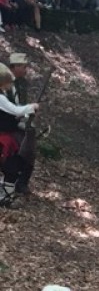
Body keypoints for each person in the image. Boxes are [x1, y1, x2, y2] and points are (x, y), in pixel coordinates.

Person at [0, 63, 38, 206]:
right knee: (11, 168)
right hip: (3, 139)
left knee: (11, 168)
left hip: (5, 136)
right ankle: (6, 199)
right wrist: (32, 107)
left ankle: (5, 196)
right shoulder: (0, 97)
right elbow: (15, 110)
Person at [6, 53, 36, 196]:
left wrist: (27, 116)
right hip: (7, 124)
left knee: (29, 150)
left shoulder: (21, 83)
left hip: (17, 122)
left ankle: (22, 182)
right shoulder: (5, 83)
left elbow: (22, 104)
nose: (25, 70)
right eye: (23, 67)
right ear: (15, 67)